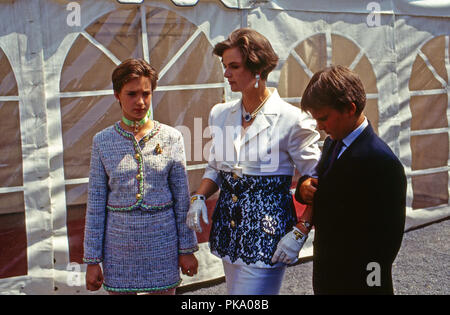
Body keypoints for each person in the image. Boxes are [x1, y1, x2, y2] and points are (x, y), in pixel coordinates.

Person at [186, 28, 321, 295]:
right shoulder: (220, 114)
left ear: (257, 68)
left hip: (268, 238)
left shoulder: (292, 119)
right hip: (227, 233)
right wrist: (199, 196)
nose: (226, 74)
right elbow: (216, 166)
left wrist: (301, 229)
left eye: (234, 66)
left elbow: (318, 181)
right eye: (225, 66)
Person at [83, 58, 198, 295]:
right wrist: (92, 260)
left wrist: (187, 249)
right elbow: (95, 204)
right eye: (131, 93)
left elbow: (182, 199)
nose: (140, 101)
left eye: (146, 93)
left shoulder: (171, 137)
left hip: (162, 244)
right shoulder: (102, 141)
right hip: (119, 248)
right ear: (117, 95)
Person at [295, 65, 407, 294]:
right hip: (327, 275)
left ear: (349, 108)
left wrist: (370, 286)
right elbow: (321, 184)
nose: (319, 126)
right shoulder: (332, 144)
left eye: (324, 118)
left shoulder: (382, 161)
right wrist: (303, 188)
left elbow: (386, 244)